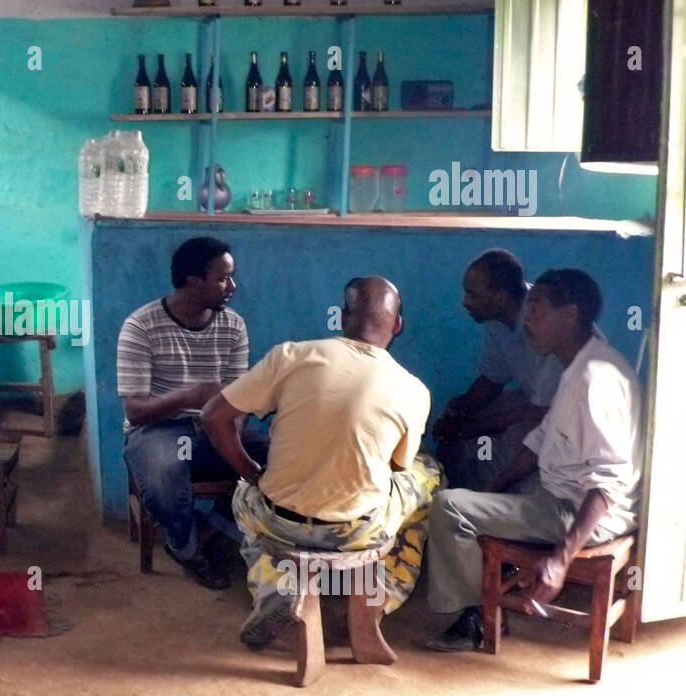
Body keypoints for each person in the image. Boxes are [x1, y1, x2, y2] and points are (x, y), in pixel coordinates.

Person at [201, 277, 443, 647]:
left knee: (243, 499)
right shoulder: (413, 390)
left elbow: (213, 416)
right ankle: (379, 600)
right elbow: (398, 466)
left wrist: (251, 472)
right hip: (357, 529)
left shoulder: (291, 356)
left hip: (280, 520)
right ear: (397, 325)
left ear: (343, 316)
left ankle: (275, 587)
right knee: (430, 474)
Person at [424, 268, 643, 652]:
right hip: (559, 491)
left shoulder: (594, 379)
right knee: (477, 485)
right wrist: (494, 489)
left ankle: (479, 615)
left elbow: (607, 483)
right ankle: (496, 575)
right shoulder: (579, 363)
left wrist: (560, 558)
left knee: (447, 506)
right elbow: (540, 441)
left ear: (570, 315)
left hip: (581, 511)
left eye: (537, 310)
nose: (527, 320)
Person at [118, 236, 269, 590]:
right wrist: (191, 395)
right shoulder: (141, 326)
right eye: (223, 279)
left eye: (231, 277)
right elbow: (136, 411)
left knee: (282, 459)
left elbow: (239, 401)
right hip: (157, 429)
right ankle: (186, 548)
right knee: (163, 474)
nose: (232, 286)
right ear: (193, 282)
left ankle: (209, 529)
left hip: (216, 427)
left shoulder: (233, 325)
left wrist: (226, 430)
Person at [431, 249, 561, 490]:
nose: (465, 302)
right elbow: (492, 379)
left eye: (472, 294)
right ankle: (456, 490)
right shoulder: (497, 320)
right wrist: (457, 410)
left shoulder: (546, 323)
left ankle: (493, 498)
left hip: (559, 418)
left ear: (500, 297)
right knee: (469, 418)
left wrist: (465, 429)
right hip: (532, 402)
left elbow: (537, 410)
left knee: (512, 441)